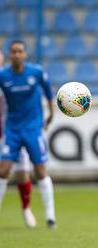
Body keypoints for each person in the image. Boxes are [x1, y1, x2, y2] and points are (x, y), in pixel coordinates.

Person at [0, 40, 56, 229]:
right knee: (4, 170)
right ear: (9, 54)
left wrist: (51, 114)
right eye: (14, 51)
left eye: (20, 51)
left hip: (33, 128)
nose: (17, 54)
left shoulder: (36, 72)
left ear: (25, 54)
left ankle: (50, 217)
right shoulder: (3, 75)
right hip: (12, 129)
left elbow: (49, 94)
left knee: (40, 170)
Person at [0, 49, 36, 228]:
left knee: (22, 173)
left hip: (12, 131)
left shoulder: (9, 78)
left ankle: (26, 208)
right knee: (3, 171)